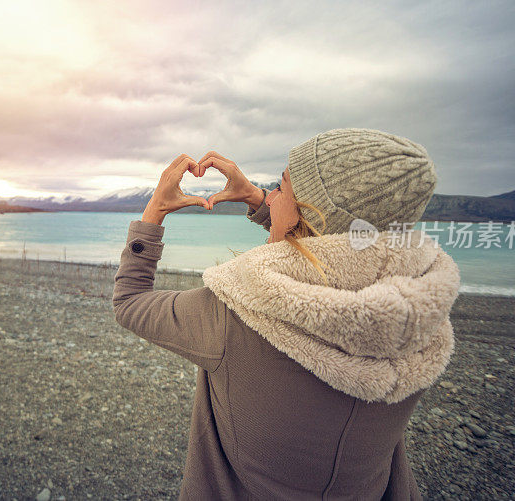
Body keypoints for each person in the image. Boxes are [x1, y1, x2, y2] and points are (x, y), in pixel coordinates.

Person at [112, 128, 461, 500]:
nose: (271, 196)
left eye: (280, 186)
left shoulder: (236, 312)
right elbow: (336, 255)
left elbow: (129, 302)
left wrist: (155, 211)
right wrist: (259, 202)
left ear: (306, 212)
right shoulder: (418, 319)